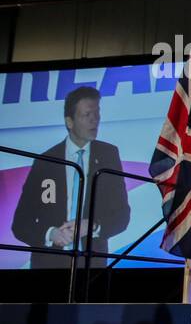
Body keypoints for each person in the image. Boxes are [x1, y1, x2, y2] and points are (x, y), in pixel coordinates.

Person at [10, 86, 130, 269]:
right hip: (48, 267)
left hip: (92, 266)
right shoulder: (45, 162)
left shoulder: (109, 155)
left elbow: (122, 215)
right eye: (87, 114)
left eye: (97, 113)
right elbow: (20, 223)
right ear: (69, 122)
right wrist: (50, 234)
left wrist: (92, 227)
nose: (94, 120)